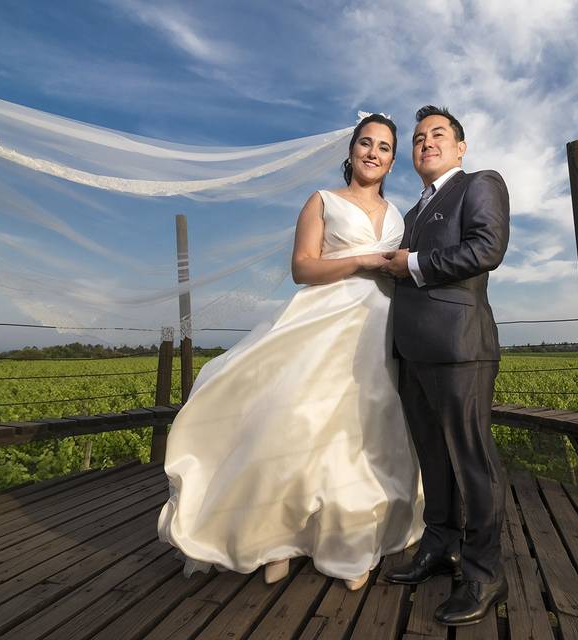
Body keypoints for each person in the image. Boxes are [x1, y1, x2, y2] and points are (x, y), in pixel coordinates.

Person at [157, 113, 424, 592]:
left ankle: (350, 541)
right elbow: (302, 267)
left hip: (380, 325)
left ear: (391, 160)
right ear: (350, 151)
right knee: (295, 417)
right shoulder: (322, 200)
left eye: (384, 148)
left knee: (366, 427)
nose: (373, 153)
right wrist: (362, 259)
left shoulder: (401, 215)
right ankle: (274, 540)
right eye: (366, 143)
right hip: (324, 319)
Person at [381, 105, 510, 626]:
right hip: (412, 350)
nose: (425, 143)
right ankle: (440, 545)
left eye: (437, 135)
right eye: (417, 138)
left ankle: (483, 572)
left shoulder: (480, 183)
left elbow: (486, 248)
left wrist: (409, 264)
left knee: (472, 461)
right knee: (433, 457)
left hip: (460, 345)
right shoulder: (411, 213)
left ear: (460, 147)